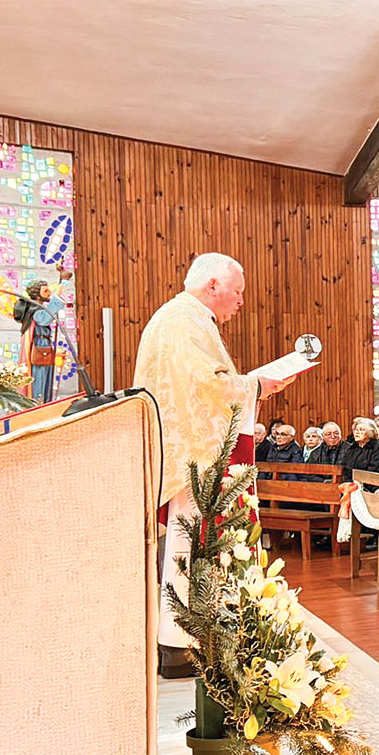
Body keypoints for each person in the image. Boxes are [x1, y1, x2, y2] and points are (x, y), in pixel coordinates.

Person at [132, 252, 295, 672]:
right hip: (198, 458)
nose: (241, 301)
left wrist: (254, 386)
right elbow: (207, 386)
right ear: (213, 286)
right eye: (237, 292)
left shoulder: (180, 317)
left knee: (186, 547)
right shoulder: (185, 321)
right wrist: (257, 385)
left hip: (189, 452)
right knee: (193, 545)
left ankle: (182, 641)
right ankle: (183, 644)